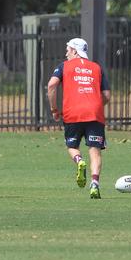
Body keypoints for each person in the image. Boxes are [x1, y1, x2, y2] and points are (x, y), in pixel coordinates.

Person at [47, 38, 111, 199]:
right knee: (95, 150)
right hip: (95, 114)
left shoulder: (64, 66)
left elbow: (51, 85)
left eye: (68, 49)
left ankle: (79, 160)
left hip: (72, 112)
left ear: (75, 51)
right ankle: (95, 183)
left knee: (72, 145)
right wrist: (95, 105)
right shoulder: (97, 67)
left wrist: (54, 108)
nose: (66, 53)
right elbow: (107, 95)